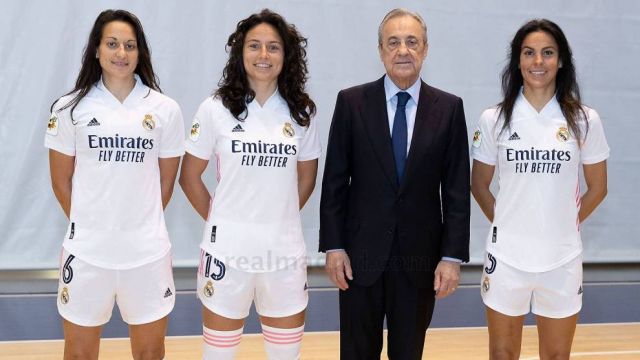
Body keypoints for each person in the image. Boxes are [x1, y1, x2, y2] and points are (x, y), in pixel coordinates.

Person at [320, 8, 470, 359]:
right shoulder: (351, 102)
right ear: (381, 50)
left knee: (408, 353)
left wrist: (451, 256)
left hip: (420, 261)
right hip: (359, 259)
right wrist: (334, 246)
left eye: (412, 42)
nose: (403, 50)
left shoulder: (448, 108)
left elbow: (456, 189)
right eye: (394, 42)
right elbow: (335, 181)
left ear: (426, 49)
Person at [179, 9, 320, 360]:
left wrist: (277, 214)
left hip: (283, 253)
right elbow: (189, 176)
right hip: (227, 253)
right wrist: (221, 217)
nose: (263, 55)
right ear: (240, 52)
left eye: (273, 47)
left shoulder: (301, 112)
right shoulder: (215, 108)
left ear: (286, 56)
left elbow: (307, 177)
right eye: (254, 46)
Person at [45, 9, 184, 360]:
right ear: (96, 49)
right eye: (112, 44)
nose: (121, 53)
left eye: (129, 45)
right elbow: (61, 182)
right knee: (78, 354)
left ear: (140, 53)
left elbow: (165, 185)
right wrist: (93, 225)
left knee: (151, 353)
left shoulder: (165, 109)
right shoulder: (68, 108)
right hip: (88, 253)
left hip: (146, 254)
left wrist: (135, 225)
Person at [471, 19, 609, 360]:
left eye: (547, 53)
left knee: (557, 356)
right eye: (529, 53)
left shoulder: (584, 119)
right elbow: (479, 184)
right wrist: (507, 222)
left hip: (561, 259)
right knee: (502, 355)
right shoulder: (495, 119)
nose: (538, 62)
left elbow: (598, 187)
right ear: (518, 61)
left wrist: (564, 222)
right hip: (507, 260)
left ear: (560, 60)